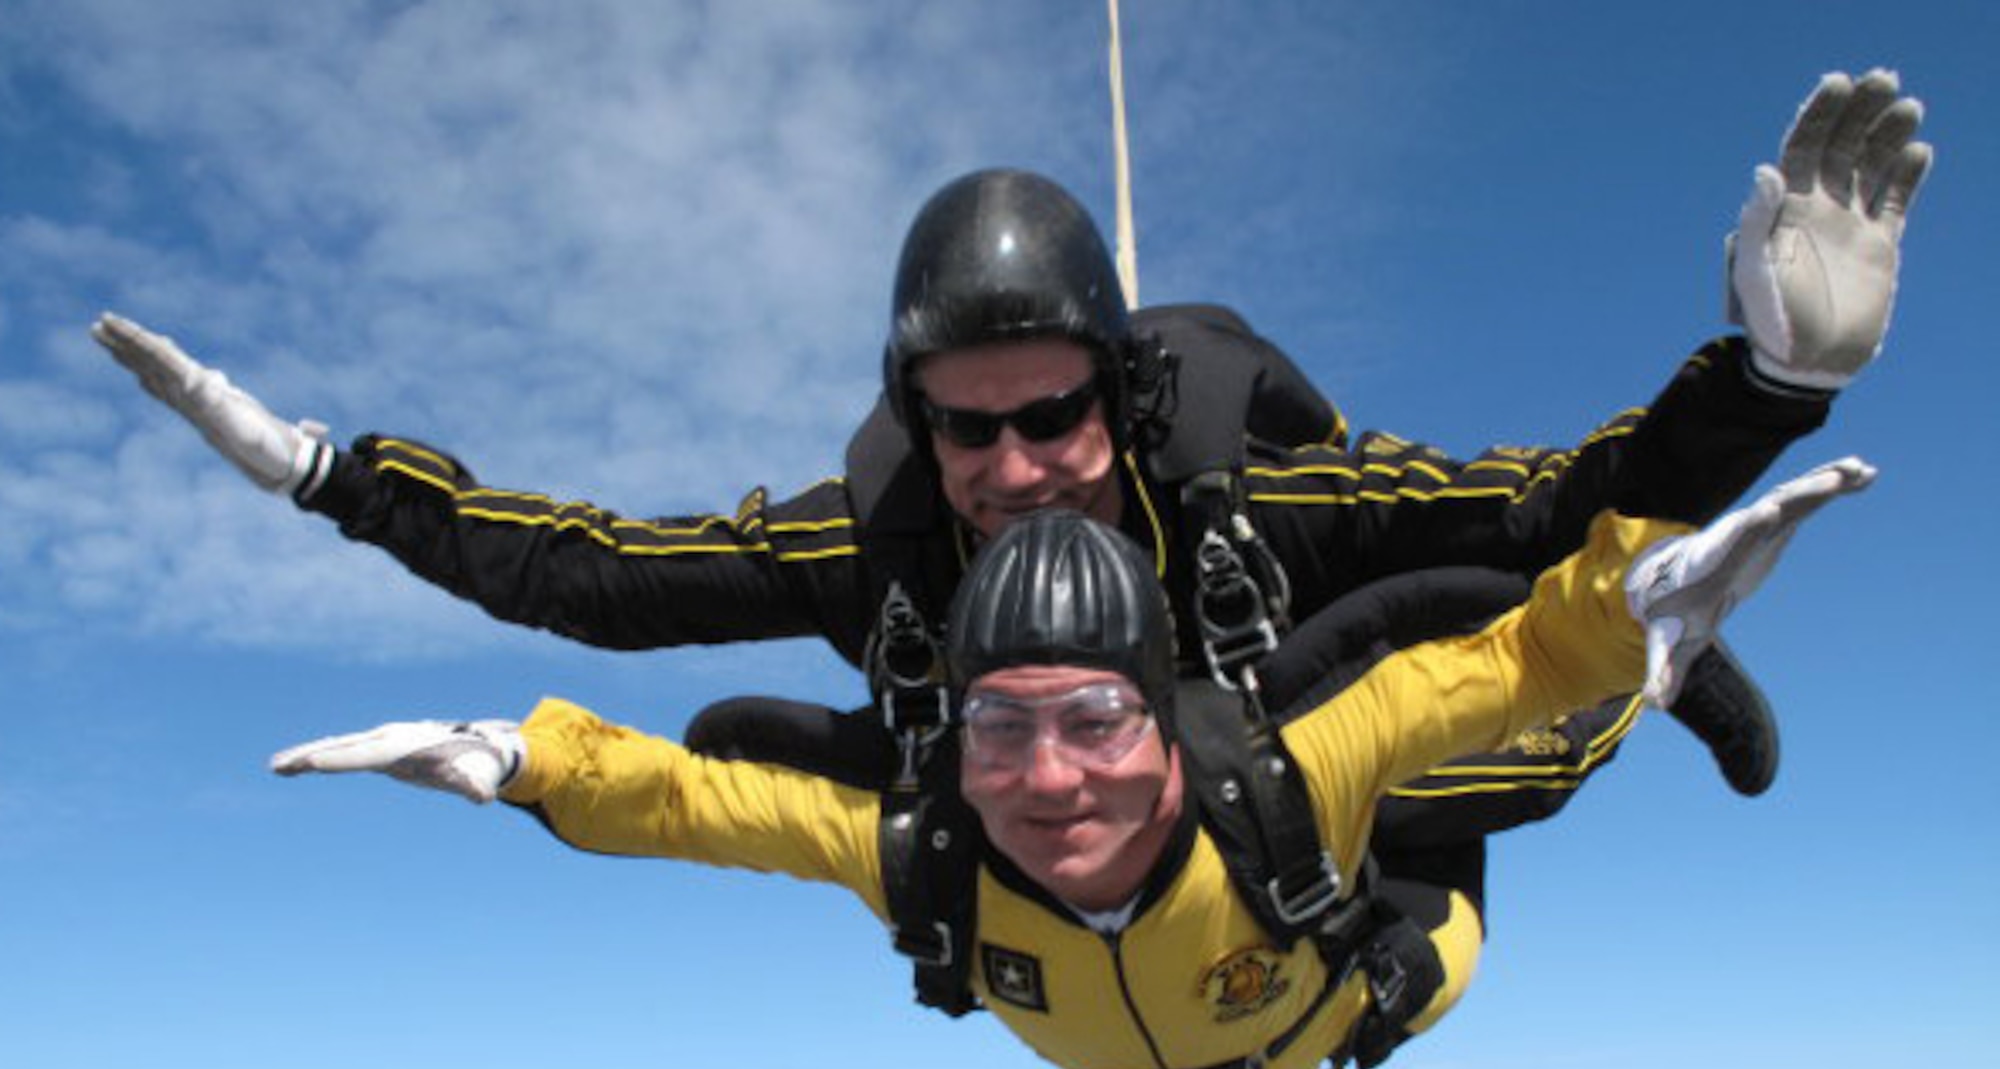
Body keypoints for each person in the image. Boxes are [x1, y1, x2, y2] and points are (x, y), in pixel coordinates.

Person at [95, 71, 1927, 872]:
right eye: (966, 428)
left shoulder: (1236, 500)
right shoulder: (875, 543)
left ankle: (1665, 665)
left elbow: (1548, 493)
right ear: (919, 419)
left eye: (1053, 416)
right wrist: (328, 476)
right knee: (745, 746)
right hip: (1059, 833)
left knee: (1474, 617)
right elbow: (592, 571)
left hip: (1314, 771)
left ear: (1119, 397)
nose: (1017, 468)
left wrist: (1770, 378)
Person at [272, 458, 1875, 1069]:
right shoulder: (930, 847)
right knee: (740, 727)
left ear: (1166, 718)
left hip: (1358, 964)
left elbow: (1499, 665)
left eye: (1101, 716)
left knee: (1451, 723)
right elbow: (697, 804)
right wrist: (523, 763)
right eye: (999, 730)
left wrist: (1633, 618)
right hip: (1176, 1055)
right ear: (951, 738)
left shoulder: (1279, 769)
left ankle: (1668, 682)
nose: (1047, 779)